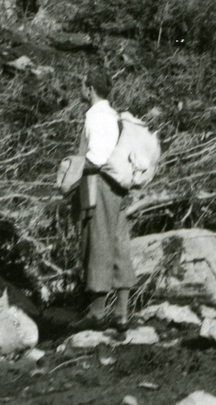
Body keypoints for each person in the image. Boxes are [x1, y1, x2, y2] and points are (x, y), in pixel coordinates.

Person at [71, 69, 137, 327]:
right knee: (119, 243)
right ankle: (121, 313)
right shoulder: (114, 116)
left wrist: (72, 167)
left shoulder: (95, 117)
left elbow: (97, 158)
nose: (79, 89)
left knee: (97, 243)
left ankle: (97, 313)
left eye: (82, 84)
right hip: (118, 187)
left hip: (99, 184)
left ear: (90, 90)